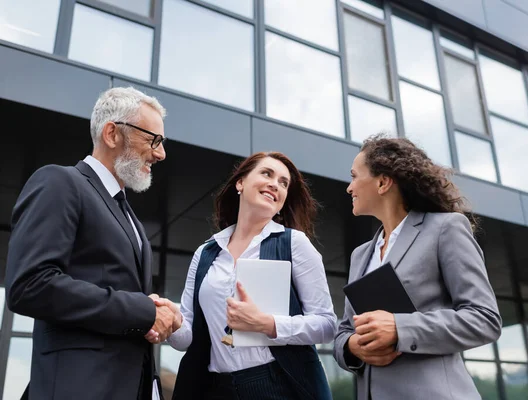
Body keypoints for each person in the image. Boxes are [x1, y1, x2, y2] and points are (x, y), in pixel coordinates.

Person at [5, 87, 181, 400]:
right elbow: (30, 284)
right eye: (153, 139)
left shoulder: (131, 218)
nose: (160, 153)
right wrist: (142, 310)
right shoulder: (60, 182)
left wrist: (155, 311)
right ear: (112, 133)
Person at [334, 135, 502, 400]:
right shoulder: (360, 255)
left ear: (382, 182)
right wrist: (352, 346)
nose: (349, 187)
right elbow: (344, 331)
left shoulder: (445, 228)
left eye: (354, 176)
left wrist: (400, 327)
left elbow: (484, 319)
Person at [166, 152, 336, 399]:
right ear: (240, 183)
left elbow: (327, 325)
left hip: (277, 386)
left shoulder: (294, 244)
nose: (274, 184)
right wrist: (172, 321)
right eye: (267, 173)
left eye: (283, 182)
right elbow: (185, 339)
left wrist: (266, 324)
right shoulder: (205, 252)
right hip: (214, 389)